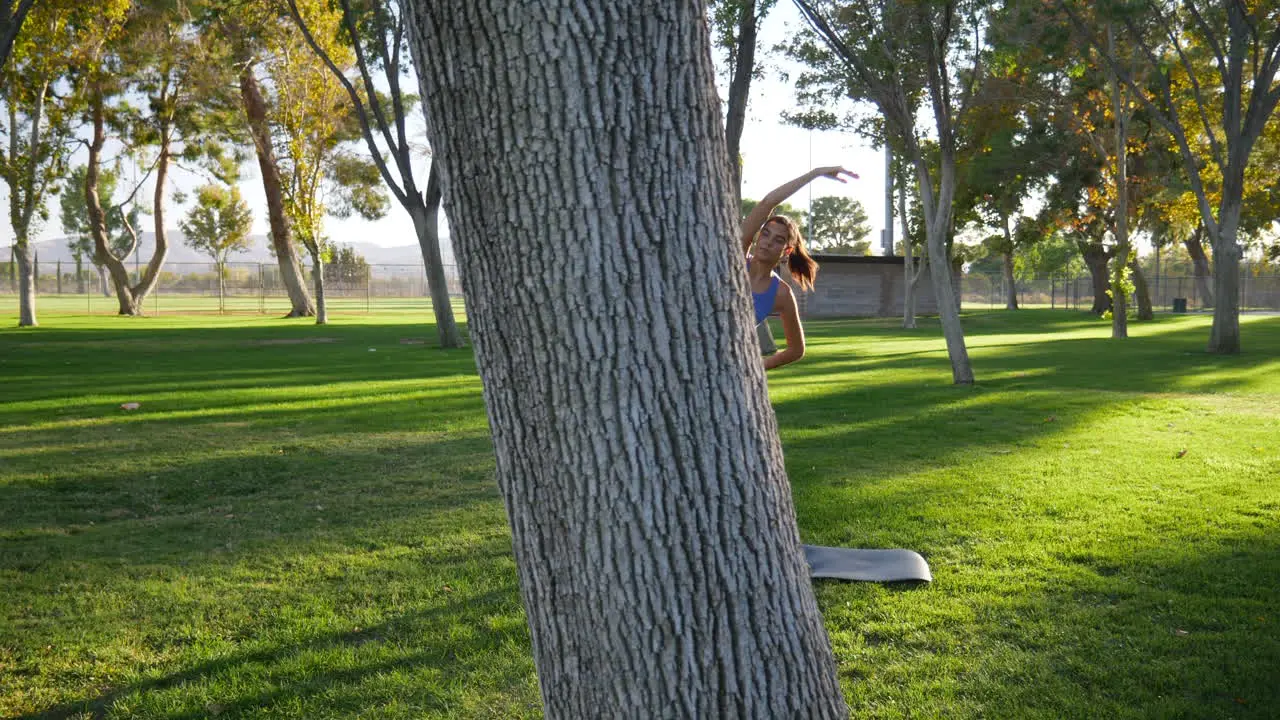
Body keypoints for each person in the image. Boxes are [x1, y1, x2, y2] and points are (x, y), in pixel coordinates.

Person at [740, 166, 857, 370]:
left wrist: (755, 367)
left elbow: (796, 350)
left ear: (786, 251)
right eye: (765, 234)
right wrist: (815, 173)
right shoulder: (736, 260)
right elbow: (768, 203)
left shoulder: (781, 294)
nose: (767, 242)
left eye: (778, 240)